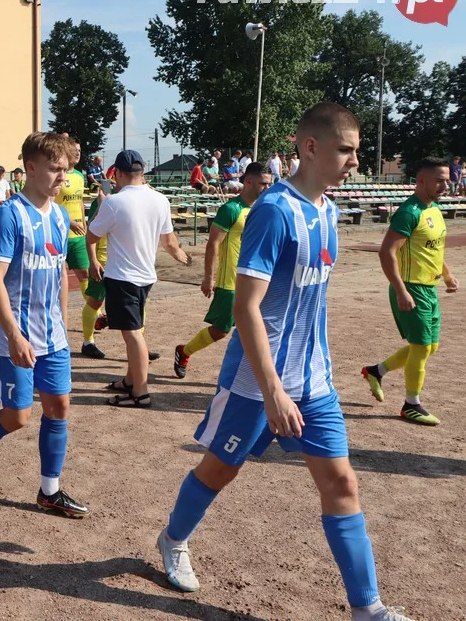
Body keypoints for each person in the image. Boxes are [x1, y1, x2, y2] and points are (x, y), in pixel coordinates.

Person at [155, 102, 414, 621]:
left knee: (342, 483)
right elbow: (246, 306)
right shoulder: (274, 210)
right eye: (346, 150)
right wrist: (273, 388)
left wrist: (303, 378)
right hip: (257, 381)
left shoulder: (330, 211)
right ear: (310, 147)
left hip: (313, 381)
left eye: (357, 152)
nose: (354, 162)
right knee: (219, 472)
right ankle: (173, 539)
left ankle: (369, 610)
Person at [0, 131, 88, 518]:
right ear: (30, 167)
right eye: (54, 169)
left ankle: (50, 491)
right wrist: (13, 334)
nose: (62, 177)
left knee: (59, 406)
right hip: (15, 334)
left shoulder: (62, 216)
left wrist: (63, 324)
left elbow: (61, 272)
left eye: (65, 169)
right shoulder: (10, 215)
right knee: (18, 416)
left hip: (53, 334)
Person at [86, 150, 190, 407]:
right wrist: (182, 256)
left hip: (121, 277)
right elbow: (169, 242)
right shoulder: (160, 200)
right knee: (133, 332)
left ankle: (140, 393)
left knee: (132, 335)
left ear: (119, 174)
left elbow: (91, 236)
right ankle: (131, 380)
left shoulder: (114, 202)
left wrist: (93, 260)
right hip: (146, 277)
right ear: (142, 172)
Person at [361, 157, 458, 426]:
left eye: (447, 179)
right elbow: (387, 252)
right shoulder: (409, 212)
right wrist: (401, 290)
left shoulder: (434, 209)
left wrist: (447, 274)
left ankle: (375, 371)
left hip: (430, 287)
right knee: (421, 347)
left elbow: (433, 249)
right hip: (411, 288)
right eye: (439, 179)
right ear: (421, 180)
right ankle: (411, 404)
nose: (445, 184)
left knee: (430, 347)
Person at [174, 162, 272, 378]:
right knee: (220, 331)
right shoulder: (230, 209)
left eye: (269, 184)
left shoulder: (263, 209)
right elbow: (213, 245)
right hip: (231, 281)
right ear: (248, 181)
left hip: (257, 279)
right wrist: (209, 277)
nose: (267, 188)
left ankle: (252, 374)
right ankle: (184, 351)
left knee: (260, 329)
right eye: (263, 184)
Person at [54, 137, 92, 301]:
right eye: (74, 150)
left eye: (80, 151)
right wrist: (69, 222)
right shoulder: (57, 175)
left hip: (78, 236)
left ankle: (94, 311)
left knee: (85, 273)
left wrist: (84, 225)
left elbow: (80, 202)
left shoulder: (78, 176)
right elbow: (50, 205)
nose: (78, 153)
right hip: (60, 234)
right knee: (57, 276)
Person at [81, 186, 111, 359]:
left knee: (137, 304)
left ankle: (140, 346)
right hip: (103, 261)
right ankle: (88, 342)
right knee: (95, 301)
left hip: (123, 262)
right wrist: (94, 260)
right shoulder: (100, 202)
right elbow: (91, 228)